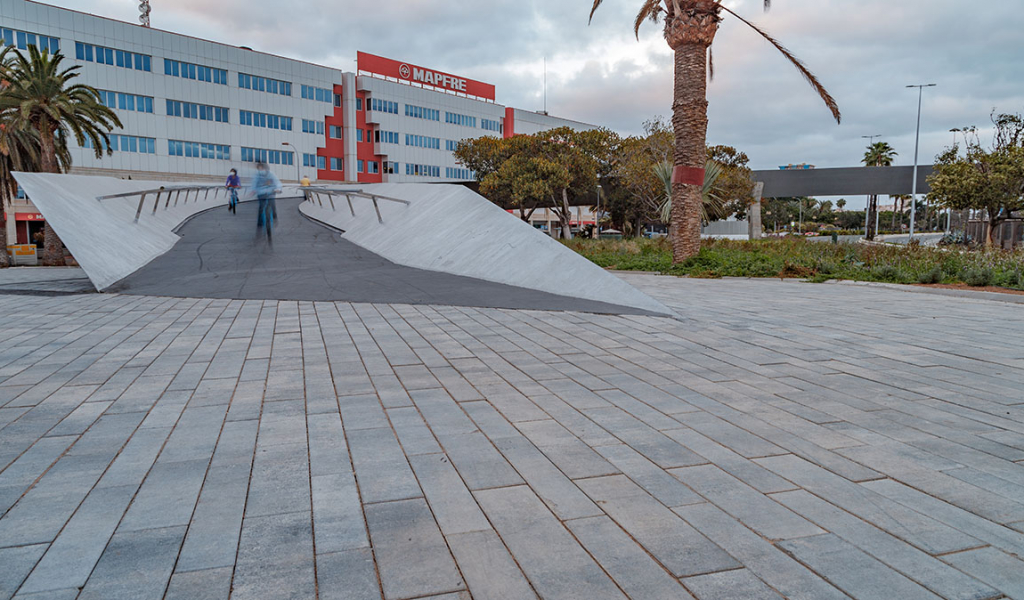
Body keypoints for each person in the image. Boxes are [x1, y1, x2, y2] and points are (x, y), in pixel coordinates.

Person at [252, 161, 282, 239]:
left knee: (272, 205)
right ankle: (259, 224)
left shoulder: (271, 174)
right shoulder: (257, 176)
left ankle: (275, 217)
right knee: (261, 208)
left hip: (271, 193)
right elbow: (254, 183)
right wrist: (253, 190)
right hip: (261, 193)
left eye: (261, 169)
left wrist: (278, 189)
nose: (260, 170)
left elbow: (277, 182)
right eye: (259, 169)